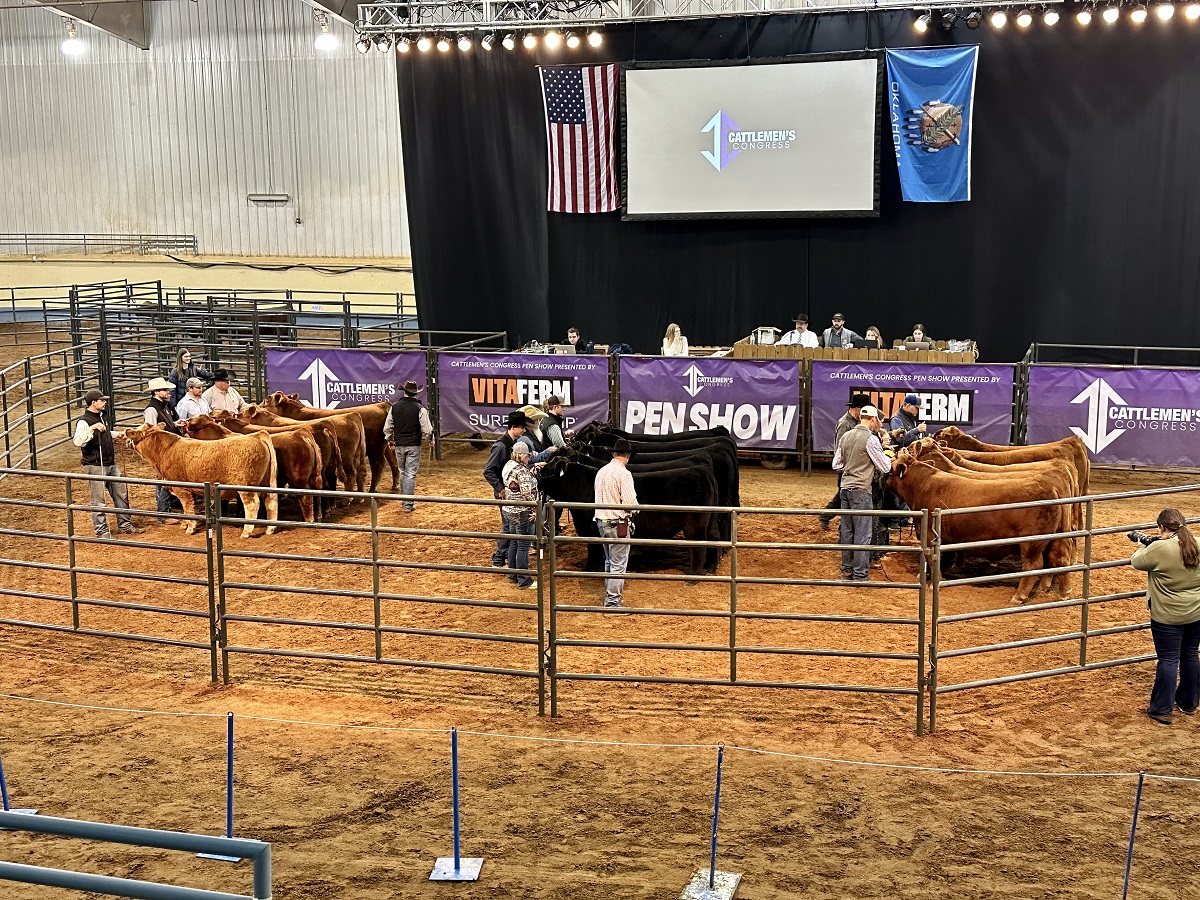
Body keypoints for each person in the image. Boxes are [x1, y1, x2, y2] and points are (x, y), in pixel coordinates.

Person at [1131, 508, 1200, 725]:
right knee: (1190, 654)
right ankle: (1189, 703)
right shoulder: (1198, 543)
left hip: (1167, 615)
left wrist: (1143, 544)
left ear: (1161, 527)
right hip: (1196, 612)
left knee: (1169, 659)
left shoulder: (1160, 548)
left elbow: (1137, 561)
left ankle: (1162, 709)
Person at [832, 405, 892, 581]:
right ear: (873, 419)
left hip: (845, 488)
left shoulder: (846, 436)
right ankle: (860, 574)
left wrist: (851, 465)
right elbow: (885, 466)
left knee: (847, 531)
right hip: (861, 490)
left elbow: (836, 464)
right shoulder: (871, 439)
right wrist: (886, 457)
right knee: (863, 533)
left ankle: (846, 571)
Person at [72, 389, 143, 538]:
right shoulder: (84, 421)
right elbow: (78, 441)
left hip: (109, 462)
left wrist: (117, 434)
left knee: (121, 493)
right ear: (93, 403)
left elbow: (104, 433)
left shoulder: (101, 417)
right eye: (102, 400)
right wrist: (92, 428)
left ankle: (125, 524)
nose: (105, 402)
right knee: (98, 499)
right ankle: (102, 531)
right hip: (95, 464)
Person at [593, 437, 638, 608]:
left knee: (609, 560)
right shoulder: (624, 474)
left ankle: (610, 597)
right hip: (617, 523)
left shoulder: (601, 471)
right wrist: (636, 509)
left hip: (601, 521)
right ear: (628, 456)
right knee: (618, 564)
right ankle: (612, 602)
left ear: (613, 454)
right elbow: (629, 502)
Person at [819, 393, 871, 529]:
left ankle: (828, 517)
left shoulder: (852, 422)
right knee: (843, 497)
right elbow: (840, 449)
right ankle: (828, 518)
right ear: (857, 409)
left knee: (843, 496)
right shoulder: (845, 424)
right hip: (847, 468)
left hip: (851, 468)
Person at [484, 411, 528, 567]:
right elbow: (488, 470)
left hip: (508, 491)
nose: (523, 430)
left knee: (510, 525)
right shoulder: (501, 446)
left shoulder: (509, 444)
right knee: (508, 526)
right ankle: (499, 557)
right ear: (513, 427)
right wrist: (500, 488)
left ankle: (505, 556)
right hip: (504, 491)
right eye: (522, 427)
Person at [383, 380, 433, 513]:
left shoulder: (394, 407)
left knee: (403, 471)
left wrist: (390, 440)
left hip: (399, 444)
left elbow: (387, 428)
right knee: (410, 474)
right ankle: (407, 504)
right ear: (415, 393)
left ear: (404, 392)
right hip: (413, 444)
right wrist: (429, 439)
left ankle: (404, 500)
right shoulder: (420, 409)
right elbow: (427, 429)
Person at [143, 377, 184, 523]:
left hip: (167, 449)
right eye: (165, 390)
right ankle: (163, 513)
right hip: (161, 450)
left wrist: (174, 424)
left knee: (164, 479)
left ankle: (164, 510)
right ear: (156, 392)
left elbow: (162, 426)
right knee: (166, 479)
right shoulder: (152, 409)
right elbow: (151, 431)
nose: (168, 392)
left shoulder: (164, 406)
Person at [501, 443, 540, 589]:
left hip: (509, 509)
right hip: (522, 511)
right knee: (523, 545)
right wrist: (535, 508)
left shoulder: (508, 465)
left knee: (514, 542)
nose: (529, 458)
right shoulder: (522, 471)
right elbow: (527, 493)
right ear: (522, 455)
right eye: (528, 456)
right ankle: (524, 579)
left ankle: (513, 573)